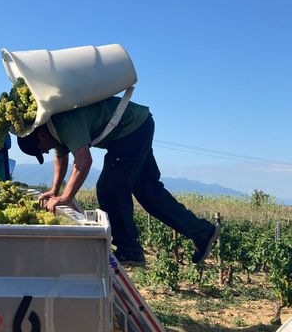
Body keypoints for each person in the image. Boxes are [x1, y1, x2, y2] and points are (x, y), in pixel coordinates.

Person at [17, 97, 220, 267]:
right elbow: (61, 158)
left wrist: (66, 196)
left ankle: (130, 250)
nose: (44, 151)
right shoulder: (55, 133)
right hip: (138, 125)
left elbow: (84, 160)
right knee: (148, 191)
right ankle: (202, 232)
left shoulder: (63, 123)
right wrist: (54, 190)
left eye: (41, 149)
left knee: (109, 189)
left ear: (40, 134)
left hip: (130, 129)